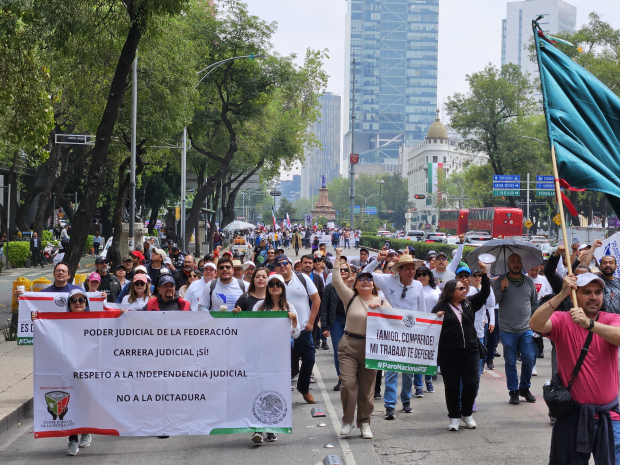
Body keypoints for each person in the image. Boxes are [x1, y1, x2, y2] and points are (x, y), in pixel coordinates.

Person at [530, 273, 620, 464]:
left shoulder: (610, 318)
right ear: (574, 295)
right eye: (586, 292)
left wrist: (589, 324)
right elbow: (535, 324)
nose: (594, 297)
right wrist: (561, 294)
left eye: (598, 292)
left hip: (609, 417)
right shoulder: (562, 320)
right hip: (572, 416)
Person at [328, 247, 389, 439]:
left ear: (373, 285)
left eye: (369, 279)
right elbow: (336, 281)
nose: (365, 282)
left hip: (372, 349)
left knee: (367, 389)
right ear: (355, 285)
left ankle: (364, 423)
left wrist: (379, 307)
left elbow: (396, 320)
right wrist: (338, 258)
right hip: (349, 346)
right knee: (348, 385)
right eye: (361, 279)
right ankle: (347, 420)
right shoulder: (350, 298)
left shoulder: (381, 301)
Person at [236, 273, 300, 444]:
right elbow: (250, 327)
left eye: (278, 284)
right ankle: (258, 428)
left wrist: (294, 321)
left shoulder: (290, 307)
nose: (275, 287)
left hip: (280, 356)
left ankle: (272, 428)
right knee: (258, 387)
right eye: (272, 284)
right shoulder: (259, 306)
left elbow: (296, 333)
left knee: (276, 390)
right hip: (260, 354)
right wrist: (239, 314)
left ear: (282, 288)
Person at [363, 250, 425, 419]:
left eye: (413, 269)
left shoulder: (418, 285)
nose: (411, 272)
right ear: (399, 270)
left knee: (409, 371)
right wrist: (377, 260)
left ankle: (405, 400)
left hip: (411, 333)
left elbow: (422, 311)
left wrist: (424, 330)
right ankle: (390, 405)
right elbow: (365, 274)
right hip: (392, 332)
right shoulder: (387, 280)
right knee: (391, 369)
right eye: (408, 269)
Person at [33, 288, 94, 455]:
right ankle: (72, 439)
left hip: (87, 369)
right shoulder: (61, 321)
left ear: (86, 303)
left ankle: (86, 430)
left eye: (81, 300)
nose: (77, 303)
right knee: (70, 403)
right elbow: (47, 334)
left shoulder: (95, 320)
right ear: (69, 304)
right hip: (67, 369)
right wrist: (38, 321)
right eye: (73, 300)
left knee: (85, 401)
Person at [432, 261, 490, 431]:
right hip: (449, 352)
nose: (464, 290)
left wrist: (484, 274)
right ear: (451, 292)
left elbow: (485, 293)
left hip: (471, 350)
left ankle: (467, 414)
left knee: (471, 383)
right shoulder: (440, 307)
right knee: (452, 386)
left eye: (464, 288)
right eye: (460, 289)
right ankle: (454, 417)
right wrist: (436, 317)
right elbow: (430, 327)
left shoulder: (470, 303)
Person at [275, 253, 321, 404]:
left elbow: (316, 299)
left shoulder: (302, 278)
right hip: (279, 331)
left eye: (285, 263)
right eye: (279, 264)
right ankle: (278, 392)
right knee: (281, 362)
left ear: (290, 265)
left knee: (309, 359)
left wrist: (311, 322)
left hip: (301, 327)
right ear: (275, 267)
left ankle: (303, 388)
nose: (282, 266)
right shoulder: (274, 282)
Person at [493, 253, 538, 405]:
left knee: (529, 358)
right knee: (510, 362)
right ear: (508, 264)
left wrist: (535, 323)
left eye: (518, 261)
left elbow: (534, 303)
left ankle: (525, 387)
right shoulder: (500, 281)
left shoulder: (529, 282)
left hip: (526, 328)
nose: (516, 264)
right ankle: (513, 391)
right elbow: (494, 301)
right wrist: (501, 289)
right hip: (507, 330)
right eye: (513, 262)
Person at [320, 261, 354, 391]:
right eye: (340, 270)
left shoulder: (354, 286)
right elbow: (324, 308)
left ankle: (351, 378)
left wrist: (352, 287)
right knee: (339, 350)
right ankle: (341, 378)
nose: (343, 272)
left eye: (345, 270)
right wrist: (324, 327)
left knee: (352, 350)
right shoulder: (330, 287)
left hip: (351, 321)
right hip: (335, 321)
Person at [469, 268, 495, 411]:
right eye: (475, 275)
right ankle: (462, 398)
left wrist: (487, 283)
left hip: (479, 335)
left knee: (477, 372)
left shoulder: (484, 289)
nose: (477, 277)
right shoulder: (466, 291)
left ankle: (472, 398)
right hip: (464, 335)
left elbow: (491, 303)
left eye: (480, 275)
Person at [414, 265, 440, 394]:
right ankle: (418, 386)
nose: (421, 277)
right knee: (418, 356)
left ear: (429, 275)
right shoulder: (412, 289)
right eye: (418, 274)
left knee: (430, 356)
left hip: (433, 326)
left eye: (424, 274)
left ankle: (428, 380)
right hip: (416, 326)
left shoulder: (436, 290)